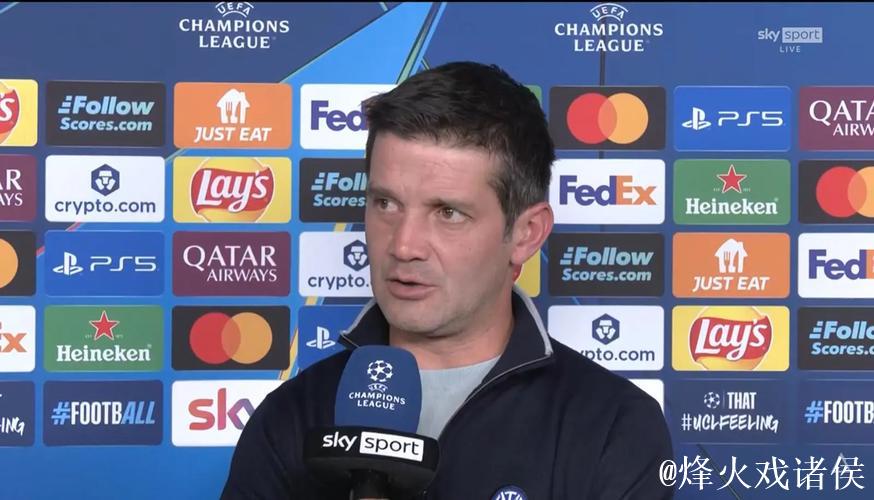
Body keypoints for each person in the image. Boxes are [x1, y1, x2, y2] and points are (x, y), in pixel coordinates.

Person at [221, 61, 674, 499]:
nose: (404, 245)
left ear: (525, 234)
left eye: (448, 213)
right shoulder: (293, 416)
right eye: (385, 204)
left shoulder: (613, 426)